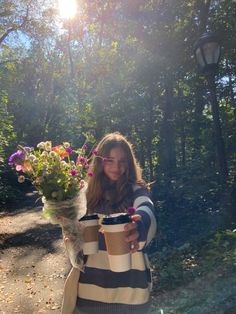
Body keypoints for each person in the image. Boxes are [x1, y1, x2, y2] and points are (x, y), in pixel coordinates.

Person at [62, 132, 157, 314]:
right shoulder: (85, 195)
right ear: (99, 162)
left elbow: (147, 210)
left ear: (129, 163)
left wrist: (140, 226)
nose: (117, 166)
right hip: (90, 292)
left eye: (122, 161)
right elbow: (72, 237)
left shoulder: (137, 190)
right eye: (110, 160)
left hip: (131, 294)